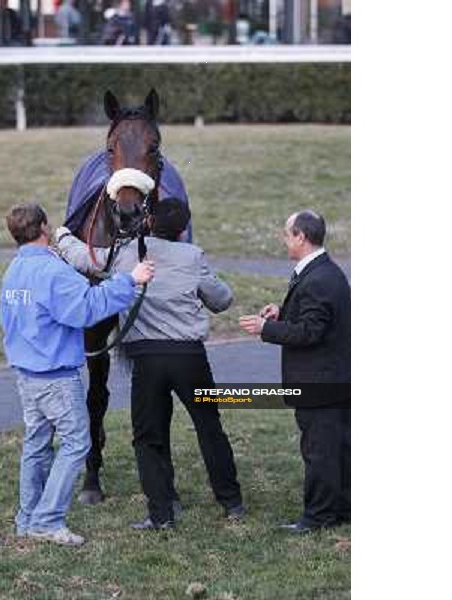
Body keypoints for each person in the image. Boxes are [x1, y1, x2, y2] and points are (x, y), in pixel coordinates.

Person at [56, 198, 244, 530]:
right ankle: (231, 502)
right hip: (190, 358)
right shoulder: (193, 255)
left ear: (149, 222)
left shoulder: (129, 254)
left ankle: (161, 514)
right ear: (183, 229)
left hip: (147, 360)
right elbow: (222, 300)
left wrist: (62, 236)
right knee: (209, 427)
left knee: (148, 436)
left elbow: (87, 259)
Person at [0, 203, 154, 546]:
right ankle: (47, 520)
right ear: (44, 227)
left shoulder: (13, 270)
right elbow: (88, 309)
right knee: (76, 443)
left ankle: (27, 519)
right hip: (55, 374)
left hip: (26, 373)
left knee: (37, 444)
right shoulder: (54, 272)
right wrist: (130, 280)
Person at [239, 210, 350, 533]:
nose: (283, 239)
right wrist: (282, 312)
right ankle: (340, 508)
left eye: (287, 234)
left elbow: (310, 332)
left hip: (320, 382)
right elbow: (316, 319)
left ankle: (317, 517)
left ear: (301, 236)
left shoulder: (318, 278)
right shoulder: (322, 271)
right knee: (337, 448)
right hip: (334, 379)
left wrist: (265, 329)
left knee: (319, 452)